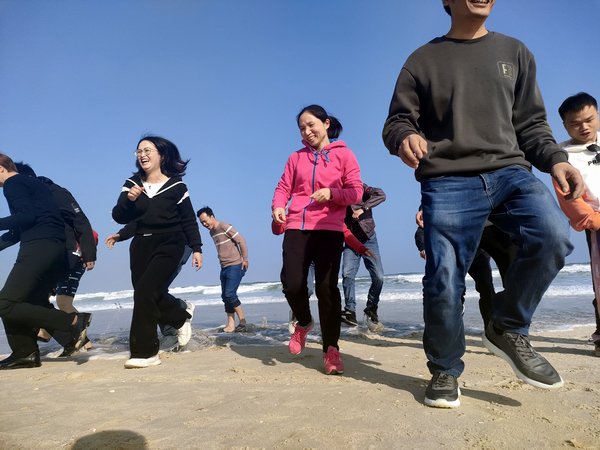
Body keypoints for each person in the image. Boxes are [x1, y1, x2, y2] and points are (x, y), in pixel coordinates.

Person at [382, 0, 585, 408]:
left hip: (511, 172)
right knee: (444, 277)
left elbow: (531, 125)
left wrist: (556, 160)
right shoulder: (422, 60)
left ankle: (507, 326)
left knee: (552, 235)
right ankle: (443, 370)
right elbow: (396, 121)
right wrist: (404, 137)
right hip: (448, 179)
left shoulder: (515, 52)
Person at [272, 104, 363, 375]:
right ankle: (304, 322)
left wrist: (332, 194)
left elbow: (356, 193)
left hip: (329, 228)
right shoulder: (295, 158)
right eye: (302, 127)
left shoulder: (345, 155)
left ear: (325, 124)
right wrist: (278, 205)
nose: (307, 130)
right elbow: (283, 187)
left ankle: (331, 350)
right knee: (292, 283)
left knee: (327, 290)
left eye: (311, 124)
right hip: (297, 226)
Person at [111, 136, 203, 369]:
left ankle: (145, 353)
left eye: (147, 150)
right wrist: (129, 201)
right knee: (145, 294)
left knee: (145, 291)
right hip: (141, 245)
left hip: (170, 243)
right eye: (139, 151)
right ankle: (181, 315)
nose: (142, 154)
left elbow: (189, 220)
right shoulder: (131, 183)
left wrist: (197, 249)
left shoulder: (177, 186)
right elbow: (119, 216)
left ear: (161, 154)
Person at [0, 154, 91, 369]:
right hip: (55, 248)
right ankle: (25, 353)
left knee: (5, 303)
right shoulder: (33, 183)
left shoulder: (13, 183)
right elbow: (21, 226)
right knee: (21, 302)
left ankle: (72, 322)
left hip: (39, 247)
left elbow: (26, 217)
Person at [552, 92, 600, 357]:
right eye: (576, 123)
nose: (584, 127)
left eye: (590, 119)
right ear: (565, 125)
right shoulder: (562, 156)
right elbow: (569, 198)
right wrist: (592, 221)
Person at [105, 221, 193, 351]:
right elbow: (139, 221)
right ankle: (181, 307)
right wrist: (121, 234)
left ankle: (171, 331)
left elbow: (188, 219)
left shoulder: (171, 203)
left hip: (176, 244)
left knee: (155, 289)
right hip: (153, 247)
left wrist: (197, 247)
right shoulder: (143, 204)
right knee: (144, 289)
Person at [415, 208, 496, 328]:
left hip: (478, 252)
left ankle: (490, 328)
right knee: (455, 291)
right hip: (453, 253)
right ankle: (452, 326)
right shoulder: (438, 201)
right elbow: (421, 230)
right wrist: (423, 247)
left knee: (487, 289)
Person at [197, 207, 248, 333]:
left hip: (235, 265)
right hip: (224, 267)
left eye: (205, 221)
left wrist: (245, 259)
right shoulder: (212, 232)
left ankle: (242, 321)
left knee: (230, 294)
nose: (204, 224)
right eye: (201, 223)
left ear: (211, 216)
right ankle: (231, 325)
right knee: (225, 296)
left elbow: (241, 240)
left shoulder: (224, 226)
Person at [341, 183, 385, 327]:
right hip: (350, 240)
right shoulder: (337, 192)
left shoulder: (361, 187)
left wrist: (362, 208)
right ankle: (350, 310)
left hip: (369, 238)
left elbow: (381, 195)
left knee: (378, 276)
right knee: (347, 274)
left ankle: (371, 308)